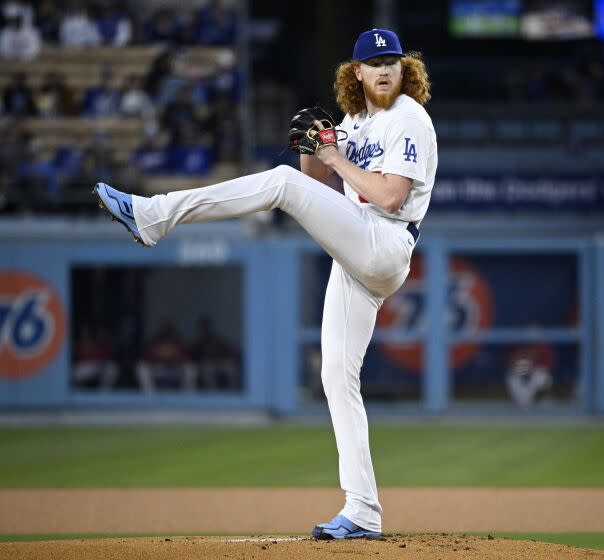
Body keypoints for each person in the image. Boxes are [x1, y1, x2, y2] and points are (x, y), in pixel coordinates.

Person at [92, 28, 435, 540]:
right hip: (356, 246)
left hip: (386, 241)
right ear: (356, 72)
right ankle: (363, 510)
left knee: (277, 183)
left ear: (404, 70)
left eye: (393, 61)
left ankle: (153, 216)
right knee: (338, 378)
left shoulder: (410, 117)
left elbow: (387, 198)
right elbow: (320, 192)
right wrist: (310, 152)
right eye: (374, 62)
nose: (385, 69)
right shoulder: (355, 120)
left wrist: (332, 158)